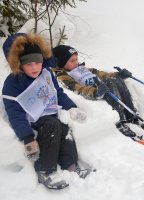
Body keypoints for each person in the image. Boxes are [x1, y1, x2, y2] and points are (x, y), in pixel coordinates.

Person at [2, 33, 91, 190]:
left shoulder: (46, 74)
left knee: (64, 126)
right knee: (52, 125)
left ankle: (70, 164)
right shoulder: (13, 83)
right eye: (29, 64)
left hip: (49, 113)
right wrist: (27, 137)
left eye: (38, 62)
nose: (35, 67)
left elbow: (57, 93)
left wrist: (71, 107)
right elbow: (14, 113)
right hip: (31, 119)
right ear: (19, 64)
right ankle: (45, 170)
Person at [52, 45, 144, 139]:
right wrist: (95, 92)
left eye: (76, 59)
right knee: (109, 82)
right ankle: (119, 121)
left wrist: (119, 75)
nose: (76, 62)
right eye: (72, 61)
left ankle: (131, 114)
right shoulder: (63, 75)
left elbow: (102, 74)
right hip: (92, 93)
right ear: (61, 63)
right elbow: (77, 88)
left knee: (115, 79)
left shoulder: (82, 69)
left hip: (101, 89)